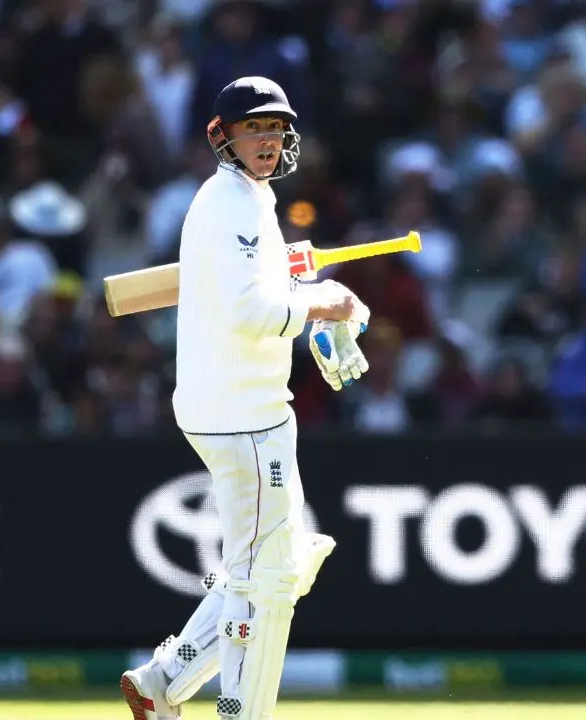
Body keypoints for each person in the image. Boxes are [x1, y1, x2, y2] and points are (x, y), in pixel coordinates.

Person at [119, 76, 371, 720]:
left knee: (264, 568)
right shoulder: (230, 202)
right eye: (252, 127)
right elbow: (251, 313)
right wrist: (324, 302)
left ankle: (163, 681)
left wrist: (293, 272)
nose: (267, 140)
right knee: (270, 581)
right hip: (244, 417)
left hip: (235, 409)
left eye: (275, 128)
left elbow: (243, 285)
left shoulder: (245, 199)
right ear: (222, 136)